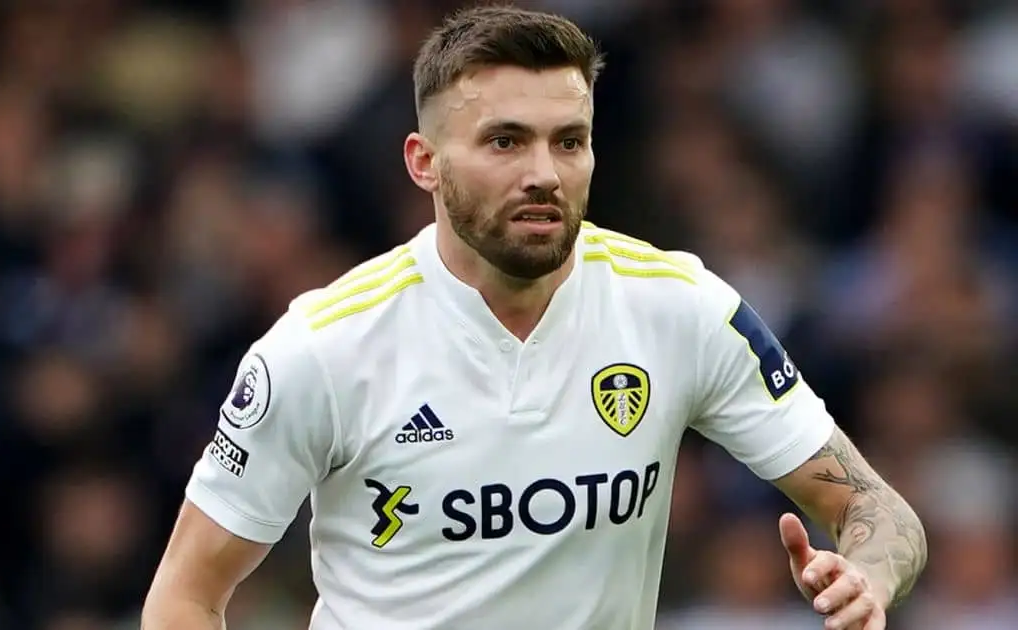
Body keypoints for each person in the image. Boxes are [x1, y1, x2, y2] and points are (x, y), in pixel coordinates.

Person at [142, 6, 927, 630]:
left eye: (570, 141)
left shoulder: (681, 309)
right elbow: (185, 596)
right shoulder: (322, 348)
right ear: (424, 162)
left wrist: (867, 575)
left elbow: (873, 506)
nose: (544, 174)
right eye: (505, 142)